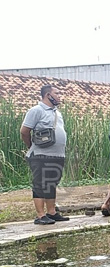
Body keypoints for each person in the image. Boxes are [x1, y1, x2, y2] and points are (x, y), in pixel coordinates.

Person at [19, 85, 70, 225]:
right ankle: (40, 215)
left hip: (57, 154)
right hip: (40, 154)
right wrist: (31, 146)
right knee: (40, 183)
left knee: (52, 183)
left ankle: (51, 212)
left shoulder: (57, 113)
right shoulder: (36, 110)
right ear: (48, 95)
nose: (60, 96)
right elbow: (24, 131)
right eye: (57, 93)